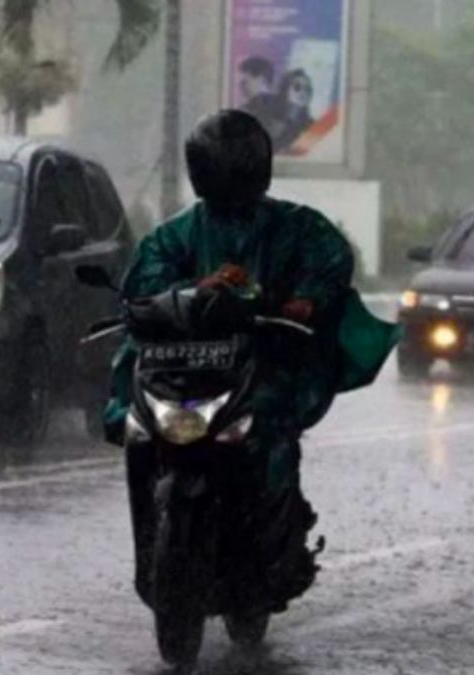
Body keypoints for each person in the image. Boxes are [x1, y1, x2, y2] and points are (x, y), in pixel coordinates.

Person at [105, 109, 400, 610]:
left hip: (259, 365)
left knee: (271, 436)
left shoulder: (296, 228)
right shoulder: (176, 236)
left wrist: (304, 300)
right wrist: (195, 290)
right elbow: (144, 286)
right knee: (134, 419)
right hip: (181, 370)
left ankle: (276, 541)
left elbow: (330, 261)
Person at [270, 69, 316, 153]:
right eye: (297, 87)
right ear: (285, 90)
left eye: (307, 89)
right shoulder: (270, 121)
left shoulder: (314, 126)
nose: (303, 92)